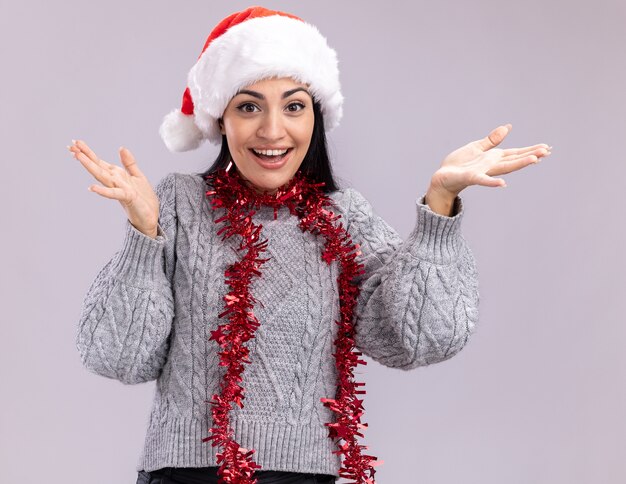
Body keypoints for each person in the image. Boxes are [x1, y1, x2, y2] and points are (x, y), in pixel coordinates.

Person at [69, 6, 551, 484]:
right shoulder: (177, 203)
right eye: (248, 106)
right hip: (182, 474)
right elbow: (118, 357)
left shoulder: (344, 218)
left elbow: (418, 339)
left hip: (302, 476)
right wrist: (144, 235)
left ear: (315, 118)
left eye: (294, 106)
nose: (273, 130)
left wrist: (440, 206)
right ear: (221, 120)